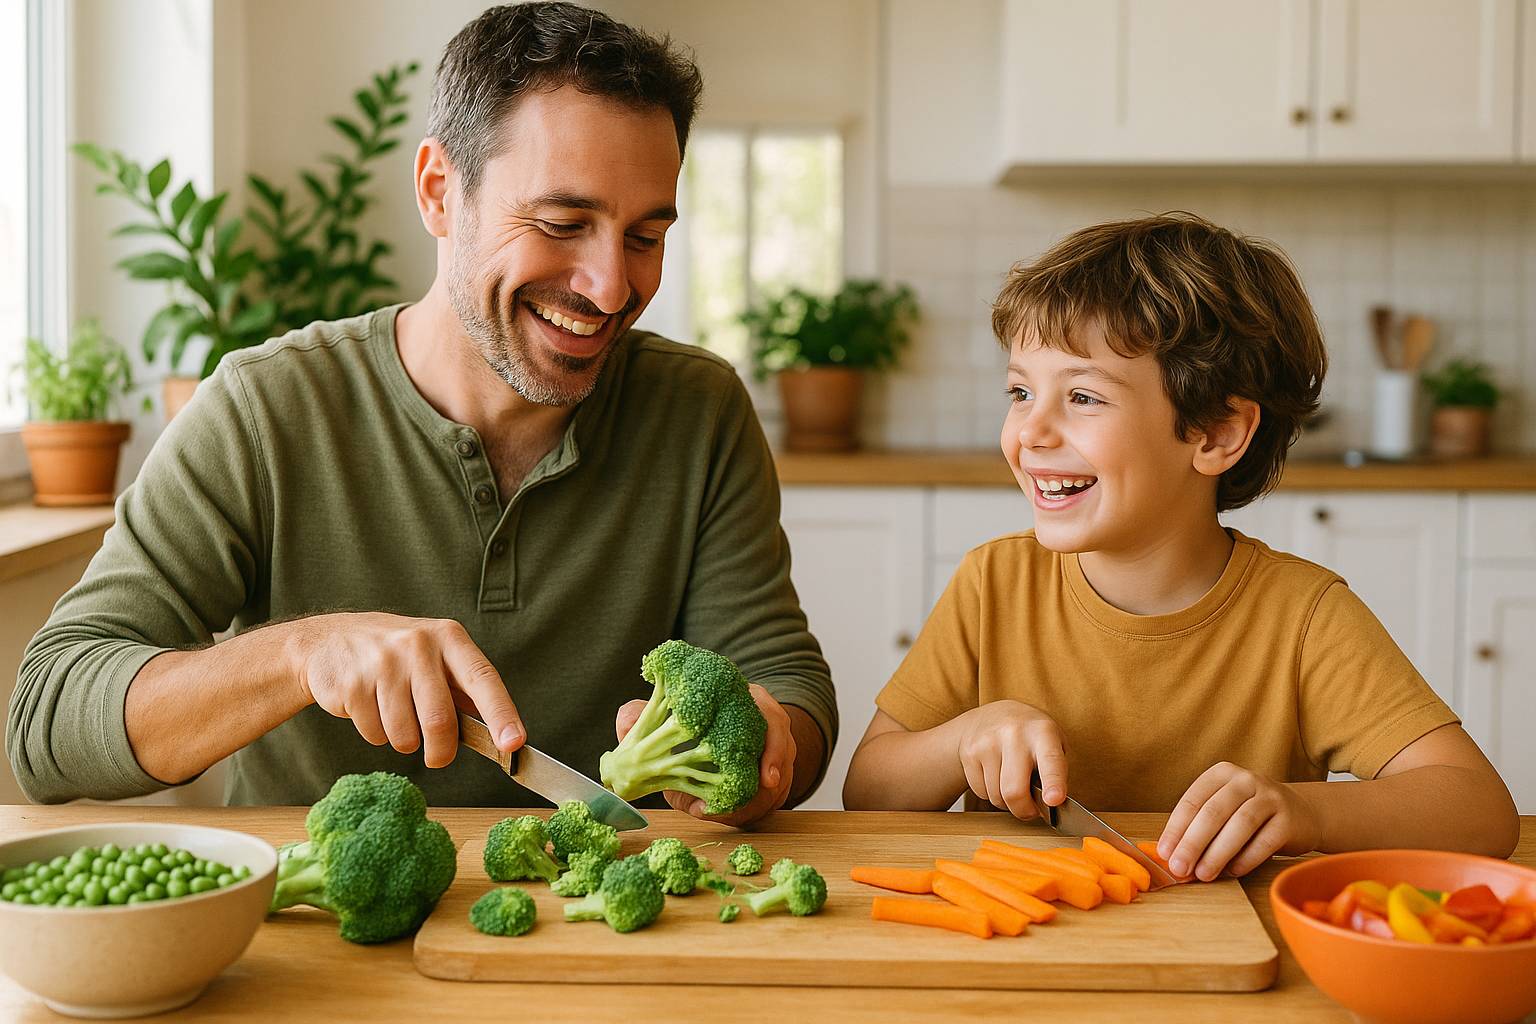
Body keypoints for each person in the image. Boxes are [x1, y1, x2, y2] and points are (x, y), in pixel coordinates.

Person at [9, 2, 835, 825]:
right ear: (440, 192)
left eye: (645, 238)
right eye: (562, 224)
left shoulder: (699, 411)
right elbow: (47, 721)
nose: (611, 286)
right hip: (314, 903)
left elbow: (787, 684)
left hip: (600, 896)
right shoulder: (267, 409)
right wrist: (303, 653)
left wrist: (768, 747)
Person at [842, 213, 1518, 878]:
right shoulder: (993, 582)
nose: (1030, 432)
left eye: (1083, 397)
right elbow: (868, 791)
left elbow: (1479, 809)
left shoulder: (1303, 616)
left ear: (1216, 434)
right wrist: (963, 739)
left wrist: (1308, 811)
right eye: (1020, 391)